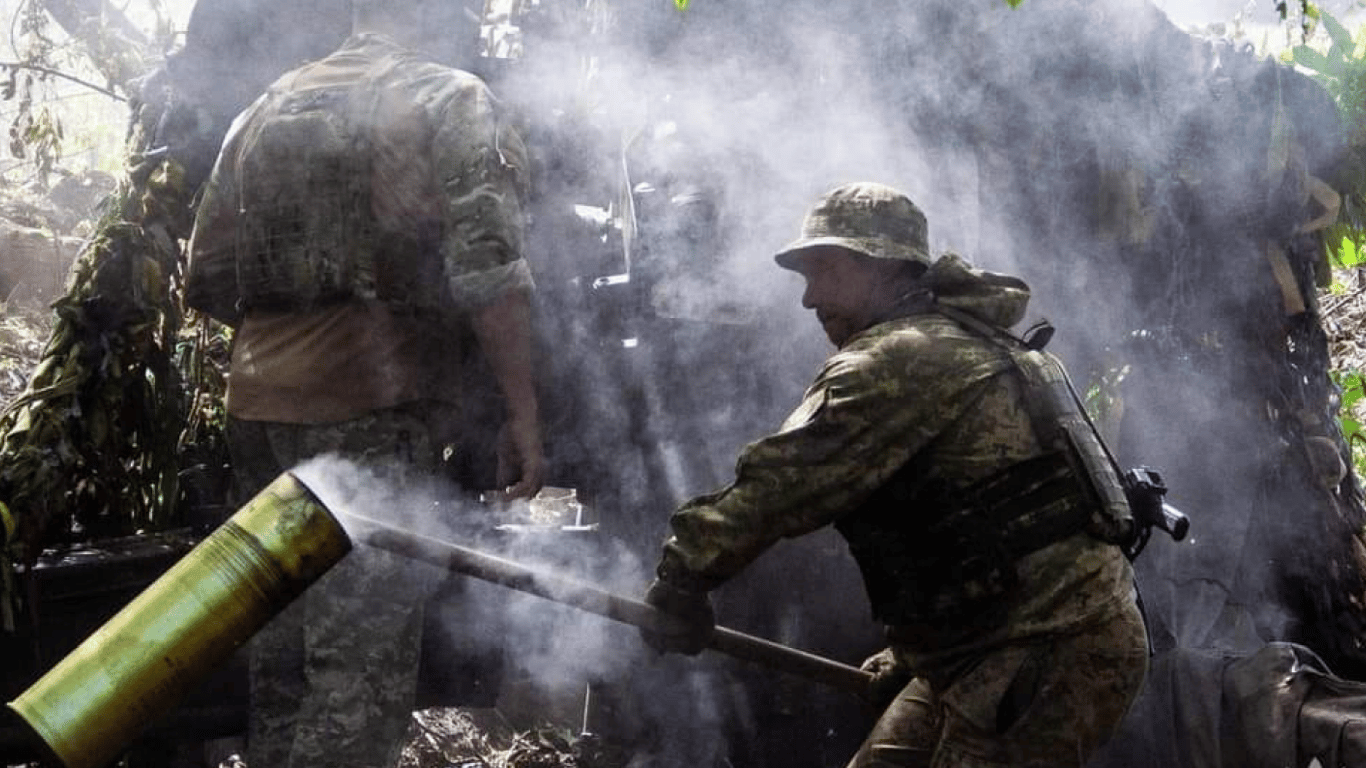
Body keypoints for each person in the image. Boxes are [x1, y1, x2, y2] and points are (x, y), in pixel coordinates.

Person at [640, 181, 1148, 767]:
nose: (808, 299)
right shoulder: (960, 340)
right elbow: (983, 524)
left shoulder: (894, 360)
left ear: (881, 268)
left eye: (822, 270)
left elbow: (777, 487)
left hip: (1052, 643)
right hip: (987, 644)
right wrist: (917, 655)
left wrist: (681, 582)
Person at [183, 0, 543, 765]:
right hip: (372, 411)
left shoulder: (264, 108)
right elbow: (490, 271)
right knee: (357, 678)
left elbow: (205, 273)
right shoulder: (448, 97)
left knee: (281, 666)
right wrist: (522, 412)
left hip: (256, 412)